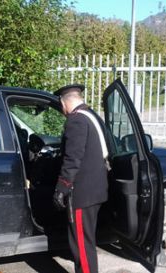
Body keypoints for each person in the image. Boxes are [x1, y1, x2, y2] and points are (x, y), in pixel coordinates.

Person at [53, 84, 109, 273]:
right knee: (87, 241)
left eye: (61, 105)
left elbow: (72, 159)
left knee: (82, 247)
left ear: (64, 102)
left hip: (82, 194)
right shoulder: (92, 116)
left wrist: (62, 187)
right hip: (97, 190)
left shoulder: (75, 121)